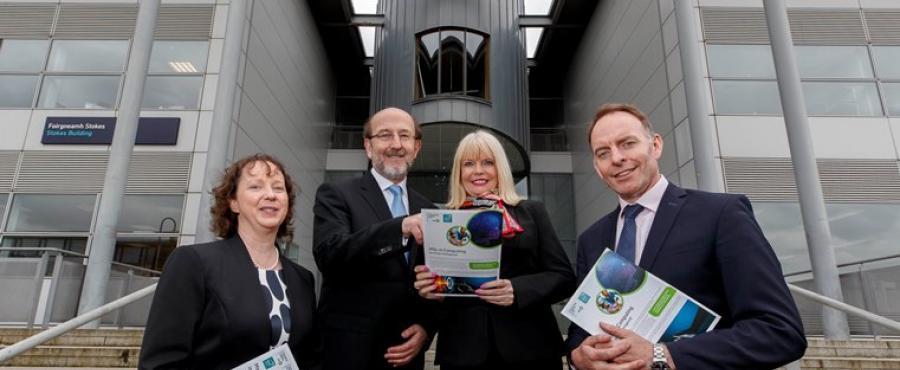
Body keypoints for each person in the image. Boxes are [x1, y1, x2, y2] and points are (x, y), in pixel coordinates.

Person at [566, 103, 806, 369]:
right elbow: (579, 331)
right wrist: (578, 357)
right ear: (598, 168)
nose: (617, 158)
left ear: (655, 146)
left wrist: (661, 356)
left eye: (628, 143)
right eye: (603, 153)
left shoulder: (720, 215)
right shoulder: (591, 240)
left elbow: (780, 331)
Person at [413, 130, 576, 370]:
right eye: (469, 164)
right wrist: (430, 291)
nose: (478, 170)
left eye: (487, 162)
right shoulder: (442, 222)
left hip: (530, 348)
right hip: (463, 353)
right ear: (459, 173)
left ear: (499, 168)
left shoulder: (531, 212)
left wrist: (517, 290)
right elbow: (432, 294)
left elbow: (564, 277)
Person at [139, 154, 320, 370]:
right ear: (233, 202)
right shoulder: (193, 263)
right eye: (256, 187)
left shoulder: (303, 279)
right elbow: (160, 363)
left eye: (278, 188)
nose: (270, 195)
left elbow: (309, 358)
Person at [313, 107, 436, 370]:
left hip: (406, 355)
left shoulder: (430, 211)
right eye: (385, 135)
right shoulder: (336, 195)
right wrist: (398, 229)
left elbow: (435, 281)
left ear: (416, 148)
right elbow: (330, 254)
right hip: (349, 353)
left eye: (405, 136)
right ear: (368, 146)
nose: (396, 144)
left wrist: (427, 327)